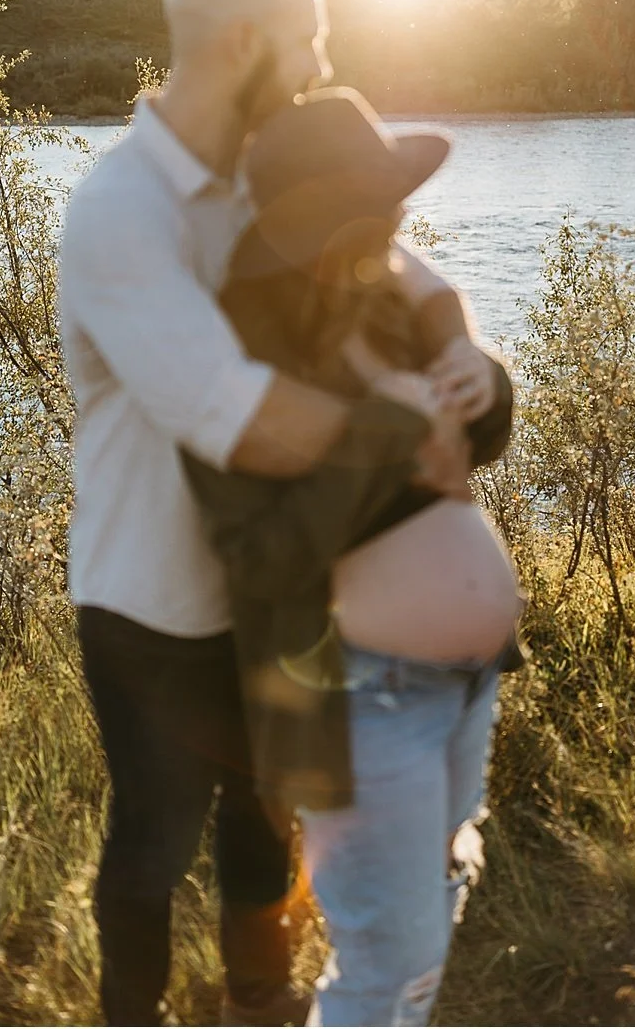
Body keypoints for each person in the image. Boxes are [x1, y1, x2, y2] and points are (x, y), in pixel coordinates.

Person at [57, 0, 495, 1026]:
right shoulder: (121, 211)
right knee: (154, 839)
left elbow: (402, 266)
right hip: (153, 598)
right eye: (310, 35)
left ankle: (259, 1003)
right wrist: (413, 432)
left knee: (268, 821)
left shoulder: (269, 162)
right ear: (245, 41)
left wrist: (467, 355)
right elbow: (245, 416)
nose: (322, 58)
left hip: (285, 579)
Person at [181, 88, 526, 1026]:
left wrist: (479, 375)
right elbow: (256, 555)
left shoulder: (380, 296)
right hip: (359, 698)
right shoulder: (237, 371)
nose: (400, 226)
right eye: (376, 209)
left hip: (461, 682)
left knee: (445, 868)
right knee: (385, 966)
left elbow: (484, 434)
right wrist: (383, 434)